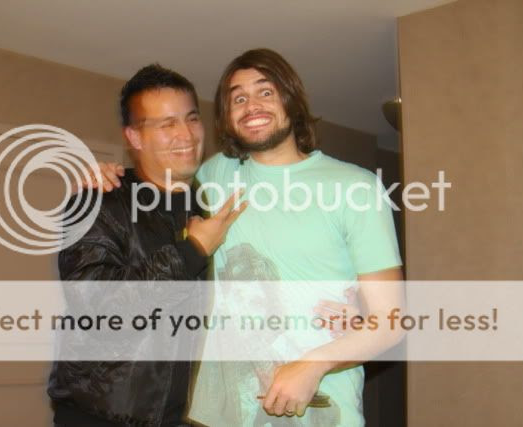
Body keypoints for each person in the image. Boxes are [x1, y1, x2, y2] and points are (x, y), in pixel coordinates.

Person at [94, 49, 404, 426]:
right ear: (227, 116)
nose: (251, 105)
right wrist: (106, 177)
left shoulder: (356, 188)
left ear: (291, 100)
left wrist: (315, 363)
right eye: (238, 98)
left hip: (318, 412)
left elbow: (390, 322)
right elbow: (153, 184)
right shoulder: (213, 175)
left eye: (265, 92)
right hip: (210, 415)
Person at [47, 64, 245, 427]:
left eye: (191, 118)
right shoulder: (98, 201)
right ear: (134, 138)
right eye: (167, 124)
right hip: (99, 418)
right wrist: (192, 250)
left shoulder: (204, 204)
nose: (186, 134)